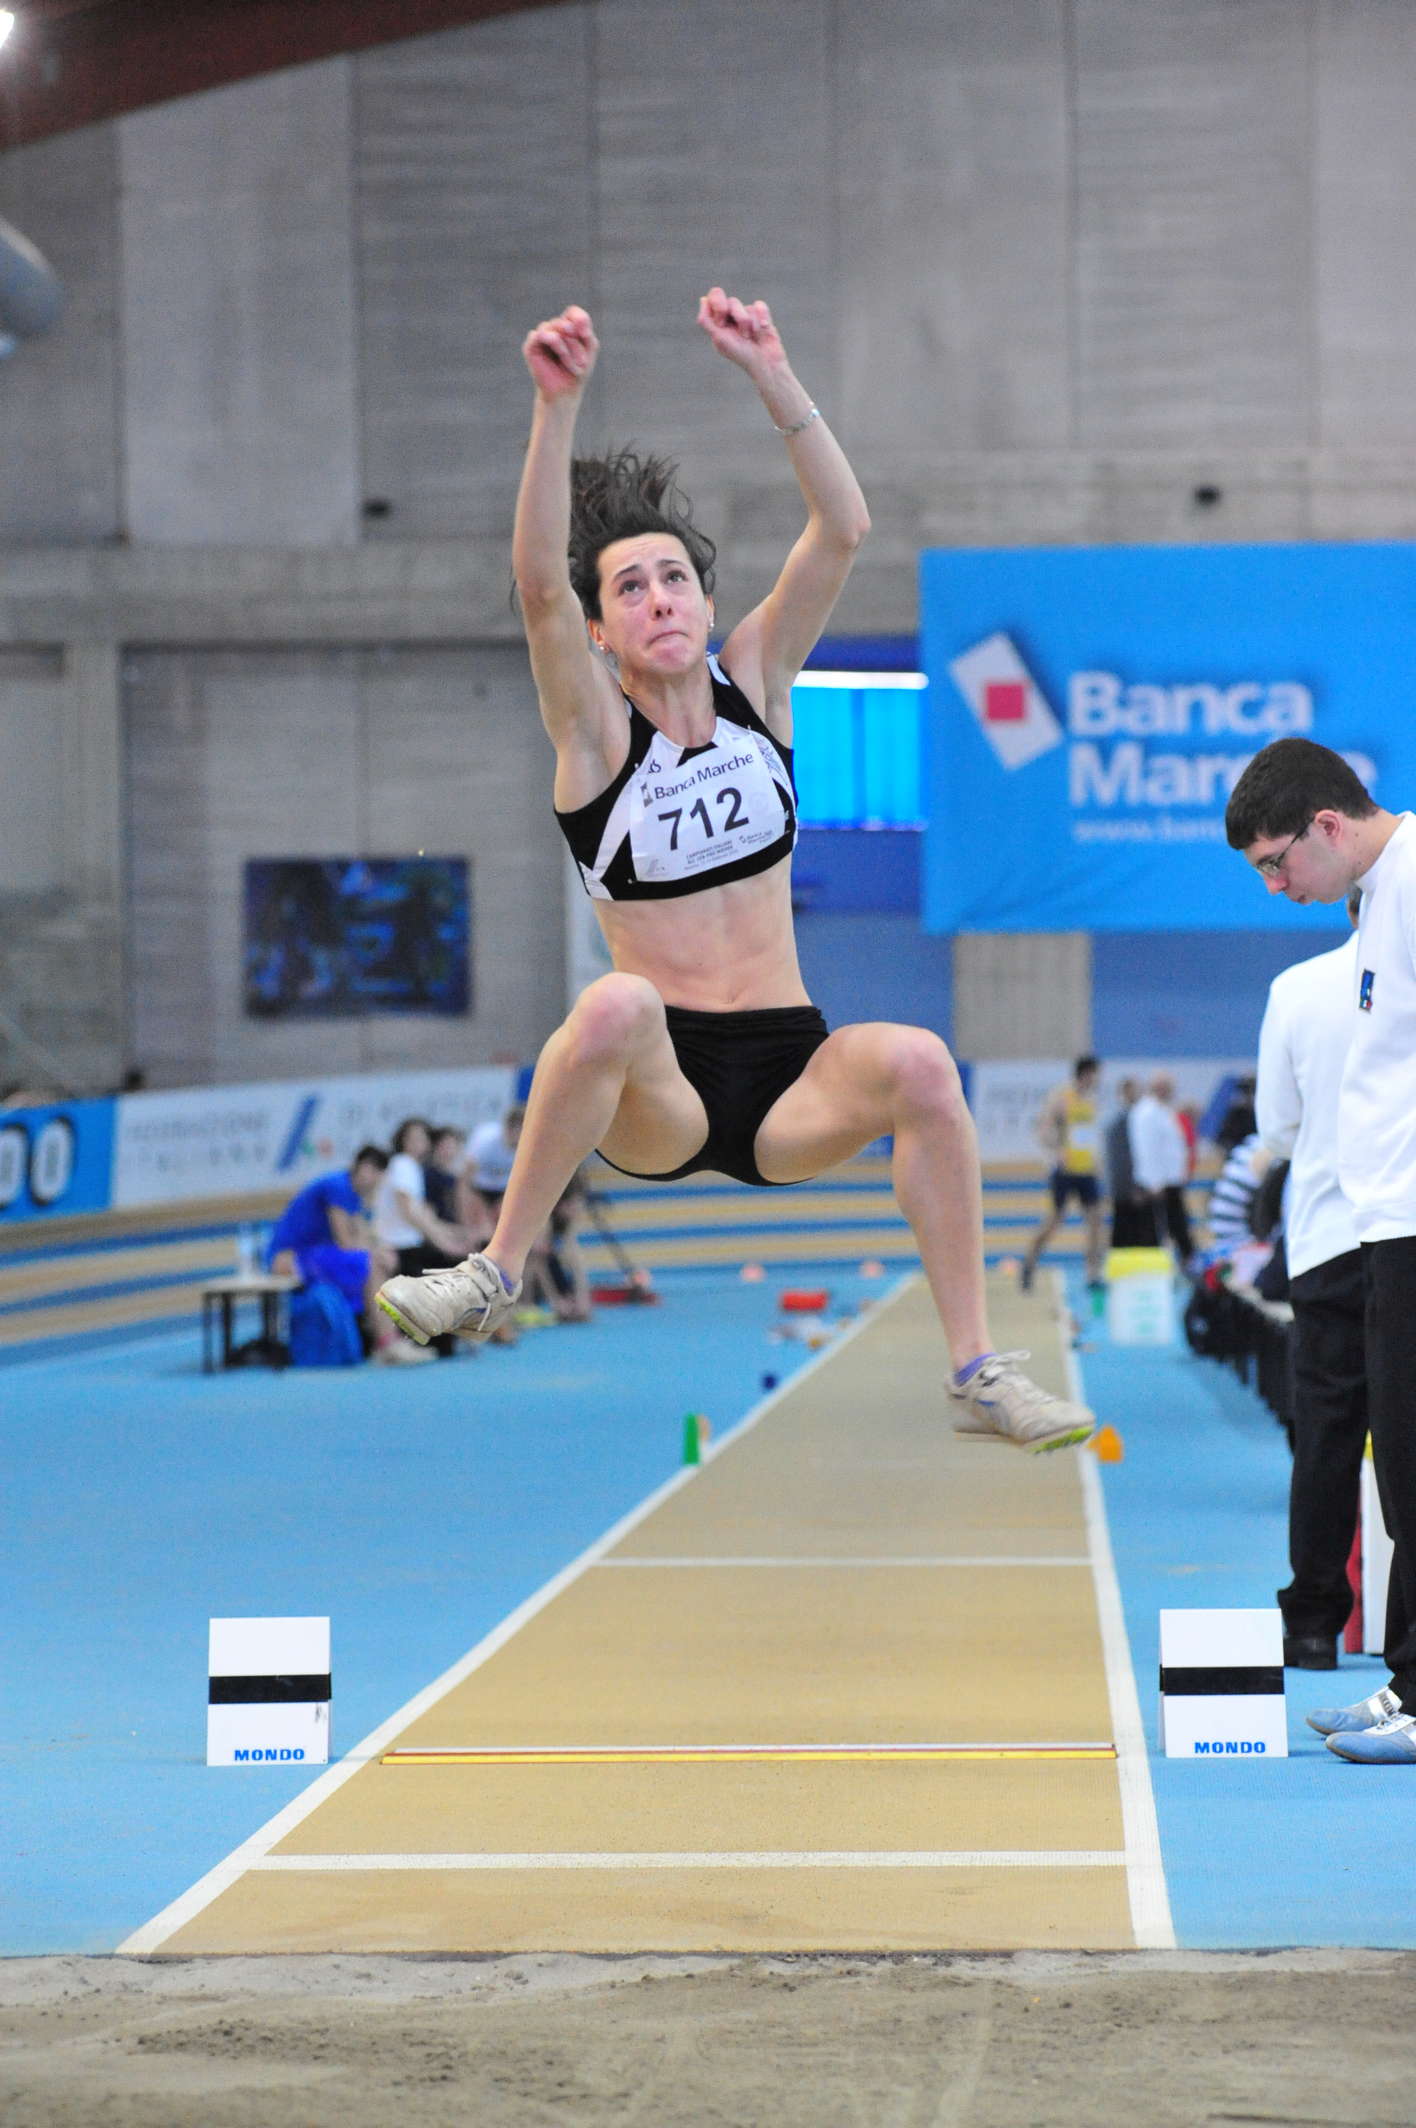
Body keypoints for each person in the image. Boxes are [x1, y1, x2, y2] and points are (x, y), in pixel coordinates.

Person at [378, 289, 1092, 1452]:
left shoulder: (757, 683)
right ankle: (498, 1269)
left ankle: (974, 1370)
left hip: (788, 1072)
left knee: (920, 1061)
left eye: (675, 578)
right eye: (630, 588)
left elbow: (843, 528)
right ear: (601, 632)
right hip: (659, 1091)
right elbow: (538, 586)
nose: (658, 598)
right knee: (614, 1003)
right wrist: (555, 407)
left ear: (707, 602)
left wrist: (772, 370)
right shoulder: (595, 736)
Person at [1226, 734, 1416, 1762]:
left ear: (1327, 826)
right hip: (1380, 1223)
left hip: (1397, 1220)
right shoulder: (1381, 896)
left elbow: (1284, 1129)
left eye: (1276, 861)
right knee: (1400, 1472)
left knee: (1391, 1458)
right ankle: (1409, 1679)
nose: (1274, 886)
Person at [1255, 888, 1365, 1671]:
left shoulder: (1298, 988)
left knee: (1327, 1435)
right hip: (1400, 1236)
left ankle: (1314, 1625)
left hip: (1330, 1240)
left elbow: (1278, 1130)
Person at [267, 1145, 432, 1366]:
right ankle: (387, 1343)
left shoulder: (353, 1194)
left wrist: (380, 1251)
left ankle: (384, 1339)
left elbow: (362, 1236)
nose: (375, 1180)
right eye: (372, 1171)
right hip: (288, 1258)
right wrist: (376, 1253)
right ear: (361, 1167)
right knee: (371, 1264)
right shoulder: (337, 1186)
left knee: (378, 1261)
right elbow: (345, 1242)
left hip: (315, 1255)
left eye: (380, 1175)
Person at [1019, 1055, 1106, 1295]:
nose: (1097, 1079)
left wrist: (1096, 1161)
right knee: (1054, 1222)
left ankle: (1093, 1274)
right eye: (1095, 1074)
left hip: (1087, 1170)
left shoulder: (1092, 1101)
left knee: (1096, 1221)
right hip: (1065, 1170)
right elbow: (1043, 1129)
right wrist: (1056, 1151)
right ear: (1085, 1073)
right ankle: (1029, 1263)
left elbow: (1089, 1134)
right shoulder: (1061, 1097)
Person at [1127, 1072, 1193, 1262]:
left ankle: (1186, 1263)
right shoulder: (1147, 1112)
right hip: (1157, 1183)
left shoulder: (1163, 1110)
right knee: (1156, 1229)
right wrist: (1154, 1181)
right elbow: (1146, 1149)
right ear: (1160, 1088)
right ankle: (1158, 1267)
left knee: (1177, 1227)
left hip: (1170, 1179)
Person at [1103, 1076, 1150, 1248]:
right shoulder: (1121, 1123)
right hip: (1127, 1189)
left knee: (1140, 1235)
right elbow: (1122, 1160)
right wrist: (1134, 1187)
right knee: (1125, 1234)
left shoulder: (1141, 1119)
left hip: (1137, 1187)